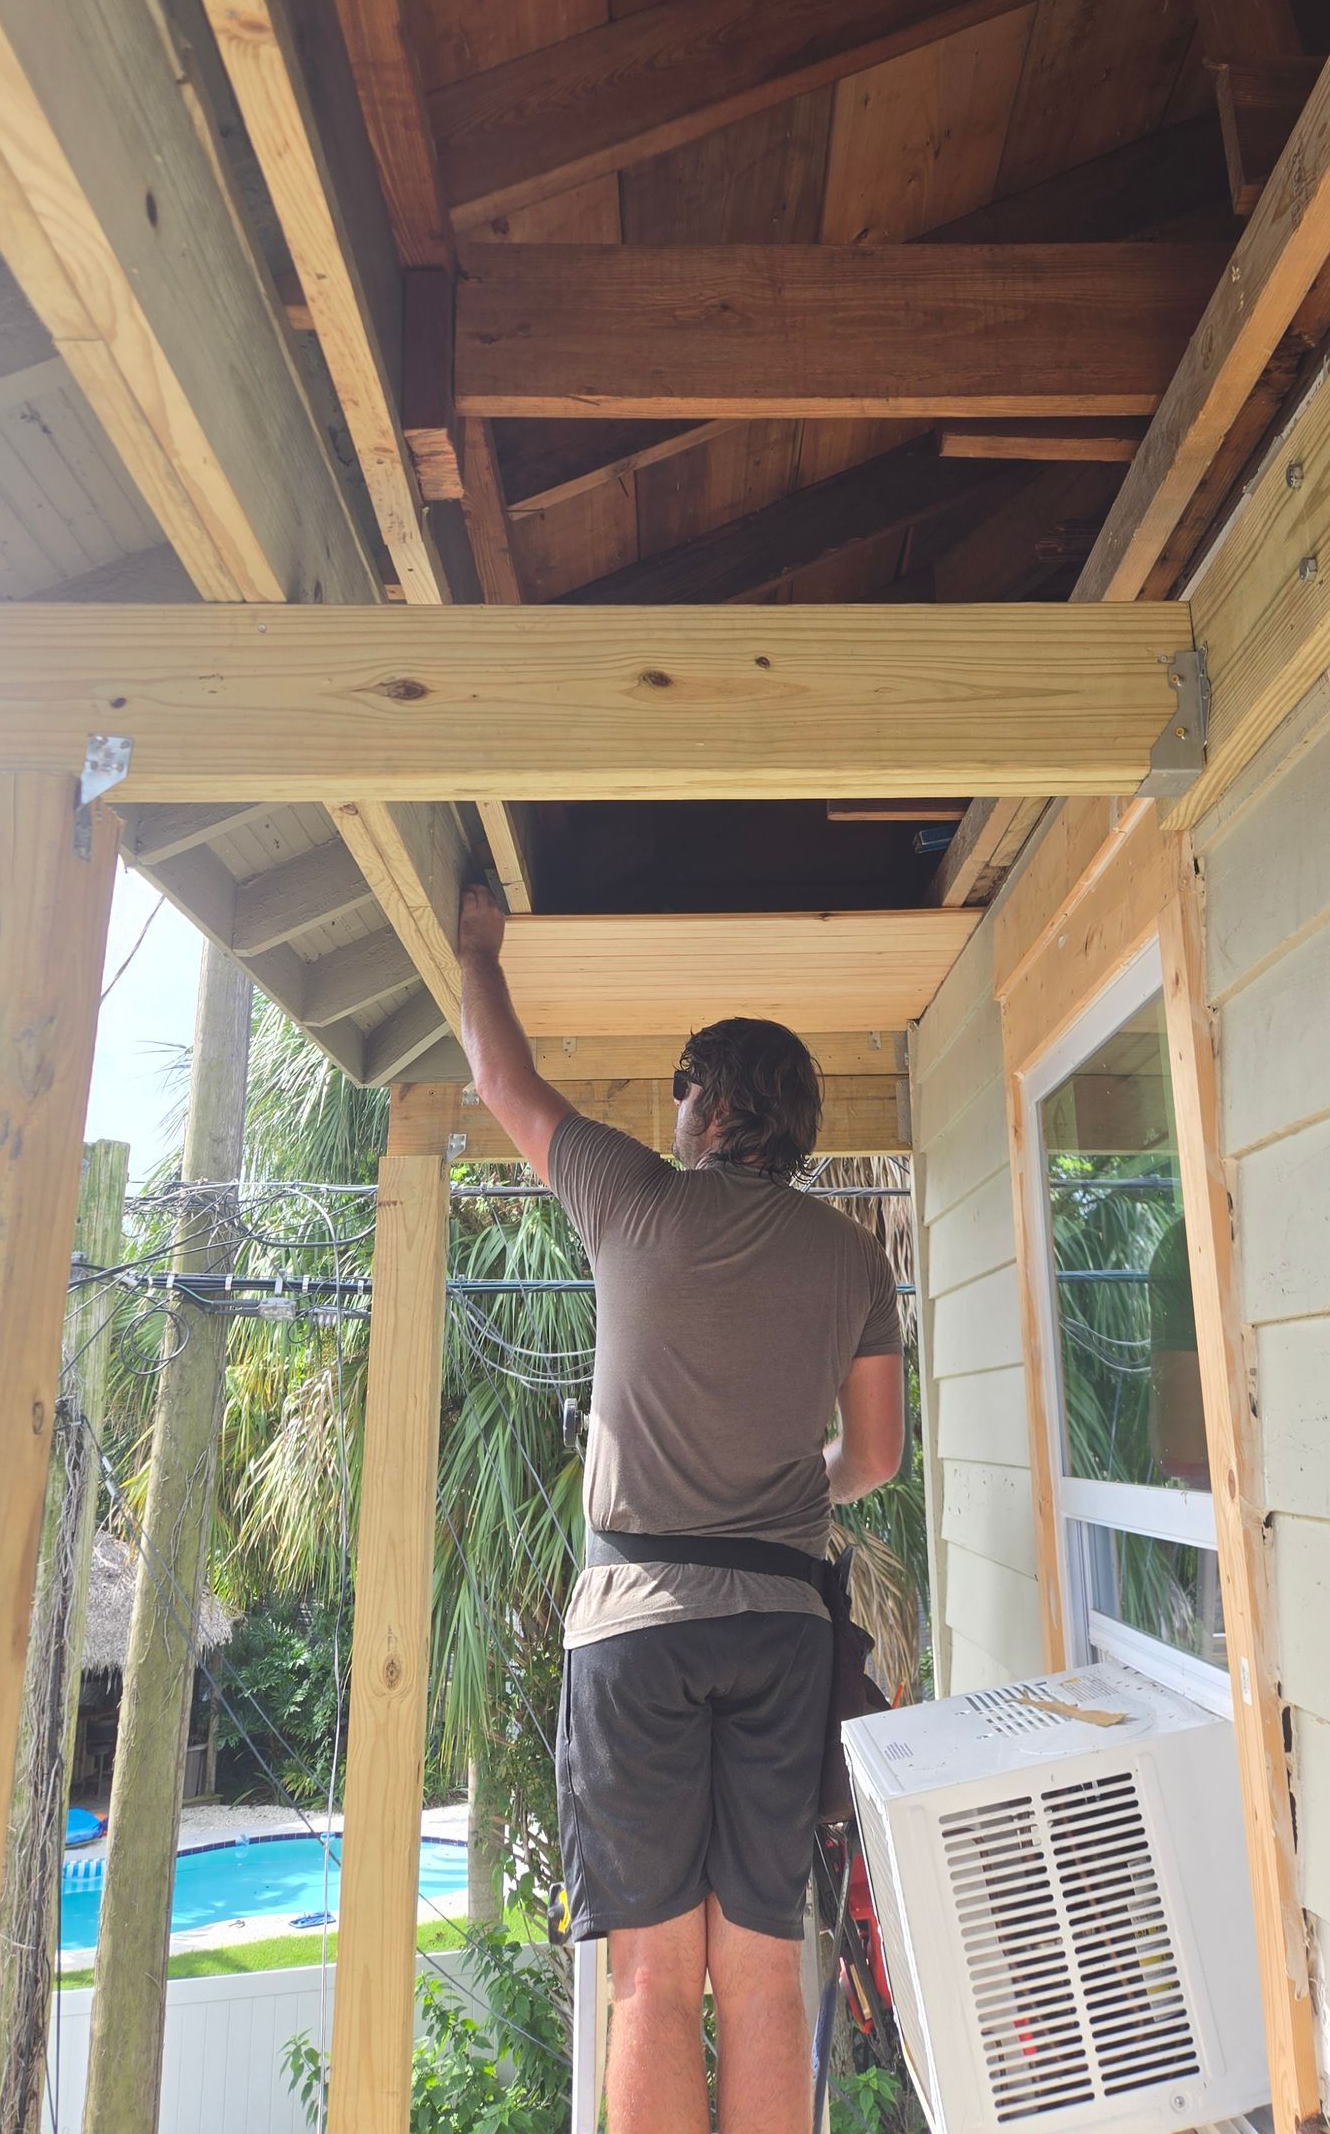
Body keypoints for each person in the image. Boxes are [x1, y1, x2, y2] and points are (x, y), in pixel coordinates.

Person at [456, 886, 905, 2134]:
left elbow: (499, 1075)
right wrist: (771, 1487)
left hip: (635, 1629)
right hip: (780, 1633)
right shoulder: (854, 1257)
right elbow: (872, 1457)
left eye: (677, 1094)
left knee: (651, 1980)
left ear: (705, 1106)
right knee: (761, 1973)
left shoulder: (633, 1196)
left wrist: (476, 947)